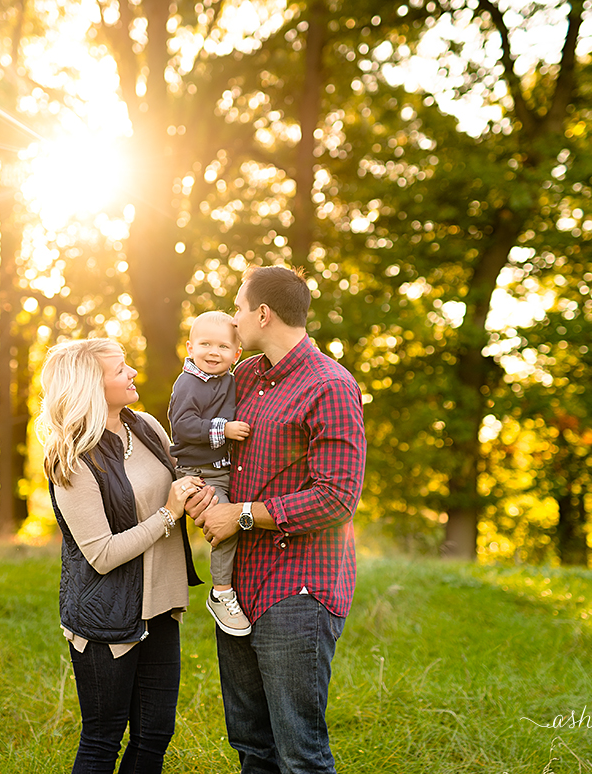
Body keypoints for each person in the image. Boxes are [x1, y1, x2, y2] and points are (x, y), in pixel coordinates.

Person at [192, 266, 367, 774]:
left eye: (238, 307)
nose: (233, 318)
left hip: (299, 590)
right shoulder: (242, 376)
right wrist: (199, 492)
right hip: (239, 591)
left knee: (300, 754)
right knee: (252, 746)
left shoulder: (330, 385)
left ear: (263, 313)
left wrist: (240, 515)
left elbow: (336, 497)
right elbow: (198, 425)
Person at [38, 338, 210, 774]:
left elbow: (180, 480)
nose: (132, 372)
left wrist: (199, 495)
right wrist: (168, 514)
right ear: (90, 386)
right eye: (119, 370)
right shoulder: (73, 459)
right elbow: (101, 554)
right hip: (107, 617)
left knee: (154, 737)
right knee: (102, 740)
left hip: (161, 606)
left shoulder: (147, 427)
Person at [167, 311, 252, 636]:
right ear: (189, 347)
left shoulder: (229, 379)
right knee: (226, 527)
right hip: (199, 472)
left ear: (236, 353)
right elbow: (184, 425)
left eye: (222, 346)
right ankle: (221, 592)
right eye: (205, 344)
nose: (213, 352)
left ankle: (235, 584)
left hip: (222, 468)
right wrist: (224, 429)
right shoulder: (188, 383)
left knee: (242, 519)